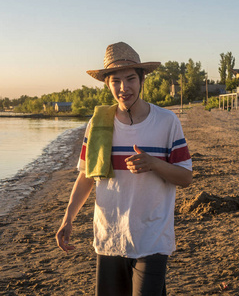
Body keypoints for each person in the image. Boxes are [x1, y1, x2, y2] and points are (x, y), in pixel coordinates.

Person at [56, 42, 192, 296]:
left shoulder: (166, 121)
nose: (123, 87)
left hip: (152, 237)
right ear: (107, 84)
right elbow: (86, 177)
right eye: (115, 81)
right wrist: (68, 218)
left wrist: (154, 164)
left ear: (142, 80)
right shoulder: (98, 125)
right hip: (110, 237)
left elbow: (186, 177)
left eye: (130, 78)